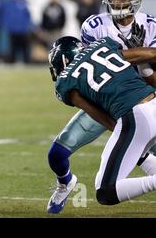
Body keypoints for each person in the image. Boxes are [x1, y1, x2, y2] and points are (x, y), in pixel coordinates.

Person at [47, 0, 156, 214]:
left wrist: (141, 58)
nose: (117, 2)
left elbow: (150, 67)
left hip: (141, 98)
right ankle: (65, 183)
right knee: (57, 153)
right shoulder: (95, 26)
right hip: (106, 99)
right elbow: (92, 64)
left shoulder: (151, 24)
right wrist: (139, 53)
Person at [49, 36, 156, 208]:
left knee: (106, 192)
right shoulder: (104, 46)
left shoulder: (66, 82)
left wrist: (121, 133)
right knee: (140, 154)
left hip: (134, 116)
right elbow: (152, 53)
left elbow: (97, 114)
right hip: (152, 101)